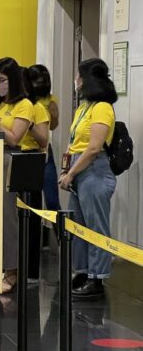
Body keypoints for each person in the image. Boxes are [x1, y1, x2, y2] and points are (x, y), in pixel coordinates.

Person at [59, 58, 117, 299]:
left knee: (96, 226)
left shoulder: (102, 107)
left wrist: (71, 173)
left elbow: (93, 148)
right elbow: (75, 142)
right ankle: (82, 271)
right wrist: (67, 169)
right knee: (79, 225)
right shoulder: (84, 107)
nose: (76, 81)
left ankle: (97, 278)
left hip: (93, 169)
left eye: (79, 76)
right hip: (77, 166)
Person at [0, 57, 34, 294]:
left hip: (10, 161)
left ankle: (13, 270)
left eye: (2, 80)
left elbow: (15, 137)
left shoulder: (24, 105)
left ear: (13, 80)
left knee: (8, 218)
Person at [21, 67, 50, 281]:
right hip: (6, 159)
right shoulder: (5, 106)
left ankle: (30, 271)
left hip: (30, 162)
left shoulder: (37, 107)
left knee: (31, 217)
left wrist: (27, 123)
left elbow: (43, 140)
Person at [28, 64, 61, 212]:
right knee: (31, 201)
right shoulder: (25, 101)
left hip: (45, 150)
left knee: (52, 200)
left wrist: (53, 114)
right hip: (27, 150)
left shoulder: (51, 100)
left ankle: (59, 234)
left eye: (44, 81)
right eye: (37, 81)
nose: (40, 85)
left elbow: (53, 126)